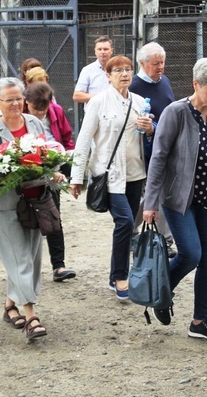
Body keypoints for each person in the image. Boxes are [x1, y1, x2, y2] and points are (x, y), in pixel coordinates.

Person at [143, 57, 207, 340]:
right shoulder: (175, 112)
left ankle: (199, 322)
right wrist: (150, 203)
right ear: (195, 84)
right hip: (178, 199)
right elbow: (158, 159)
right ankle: (160, 290)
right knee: (191, 254)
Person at [0, 77, 55, 339]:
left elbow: (47, 153)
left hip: (35, 201)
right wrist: (7, 170)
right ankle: (31, 316)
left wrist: (53, 170)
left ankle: (10, 305)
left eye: (19, 98)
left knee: (31, 258)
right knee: (19, 256)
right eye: (9, 99)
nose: (15, 103)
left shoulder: (33, 122)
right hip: (6, 205)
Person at [70, 56, 153, 301]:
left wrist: (149, 128)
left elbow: (149, 135)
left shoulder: (139, 102)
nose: (124, 74)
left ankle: (114, 275)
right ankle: (120, 276)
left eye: (128, 69)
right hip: (109, 174)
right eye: (118, 70)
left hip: (136, 172)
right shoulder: (98, 102)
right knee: (126, 222)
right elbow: (84, 139)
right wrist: (77, 177)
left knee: (128, 224)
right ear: (108, 75)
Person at [23, 81, 76, 282]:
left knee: (53, 215)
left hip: (53, 165)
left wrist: (63, 162)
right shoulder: (19, 115)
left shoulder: (56, 110)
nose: (40, 113)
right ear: (26, 102)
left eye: (43, 109)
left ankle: (59, 266)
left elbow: (66, 136)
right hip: (27, 169)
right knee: (27, 217)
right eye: (36, 109)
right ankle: (26, 266)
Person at [129, 42, 177, 256]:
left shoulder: (164, 81)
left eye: (163, 63)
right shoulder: (134, 86)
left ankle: (165, 239)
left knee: (164, 191)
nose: (161, 67)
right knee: (153, 193)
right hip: (145, 149)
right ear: (142, 63)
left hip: (168, 144)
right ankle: (129, 227)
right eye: (155, 63)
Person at [73, 36, 114, 111]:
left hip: (114, 114)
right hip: (94, 115)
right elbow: (77, 96)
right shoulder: (87, 70)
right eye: (99, 49)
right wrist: (101, 98)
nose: (102, 52)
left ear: (111, 51)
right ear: (95, 51)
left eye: (105, 49)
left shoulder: (118, 69)